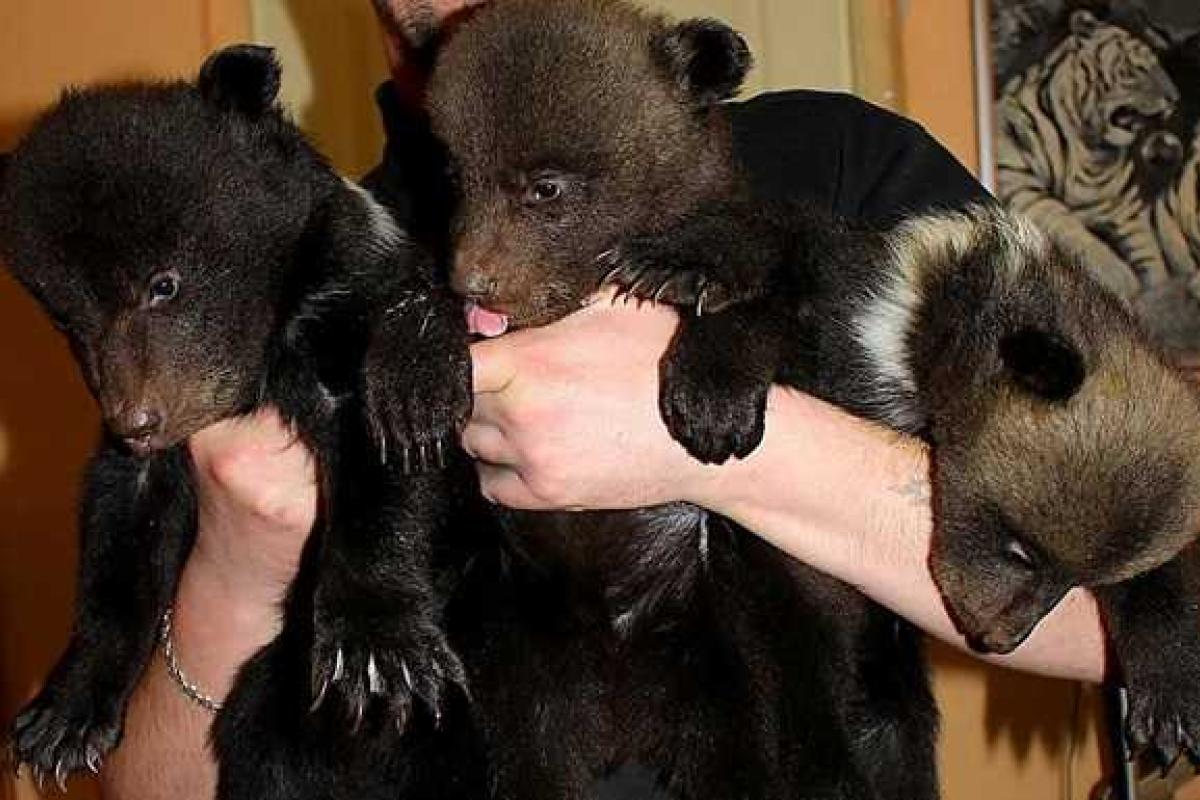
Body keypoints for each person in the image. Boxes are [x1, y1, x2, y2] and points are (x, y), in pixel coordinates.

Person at [100, 1, 1110, 797]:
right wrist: (237, 570)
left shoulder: (832, 165)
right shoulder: (307, 263)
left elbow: (1142, 582)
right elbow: (152, 785)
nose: (481, 255)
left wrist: (726, 446)